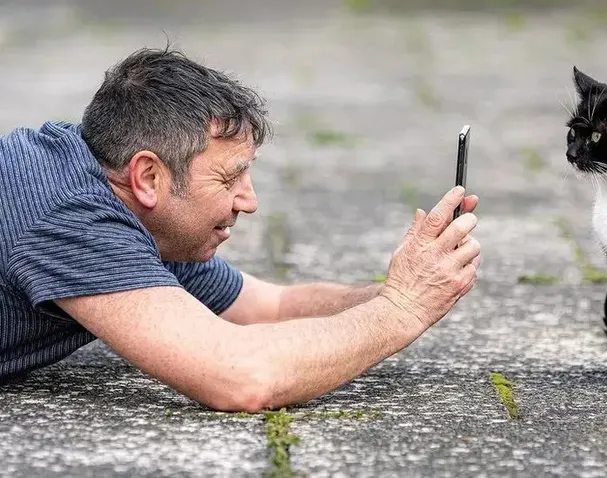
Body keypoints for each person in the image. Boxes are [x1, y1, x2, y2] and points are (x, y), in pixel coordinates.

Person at [0, 47, 481, 412]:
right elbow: (242, 376)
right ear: (148, 177)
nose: (249, 201)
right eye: (229, 178)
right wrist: (403, 309)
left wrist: (406, 285)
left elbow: (270, 308)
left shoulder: (132, 209)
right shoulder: (69, 214)